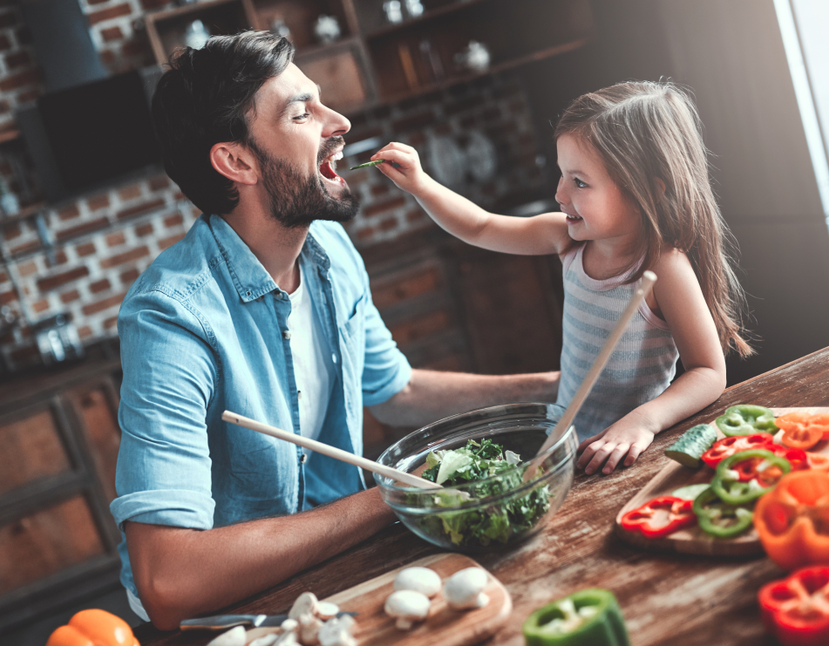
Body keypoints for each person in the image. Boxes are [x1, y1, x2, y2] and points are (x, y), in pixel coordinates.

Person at [111, 31, 558, 630]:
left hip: (334, 578)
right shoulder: (171, 318)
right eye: (302, 113)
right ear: (236, 161)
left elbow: (394, 390)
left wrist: (564, 387)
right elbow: (169, 580)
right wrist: (393, 495)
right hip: (226, 626)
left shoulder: (328, 250)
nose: (339, 121)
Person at [369, 81, 753, 478]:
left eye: (579, 182)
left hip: (630, 456)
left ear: (647, 194)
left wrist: (643, 422)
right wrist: (420, 184)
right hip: (568, 450)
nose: (559, 193)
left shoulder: (663, 267)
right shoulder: (566, 239)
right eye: (562, 175)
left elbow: (708, 373)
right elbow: (481, 227)